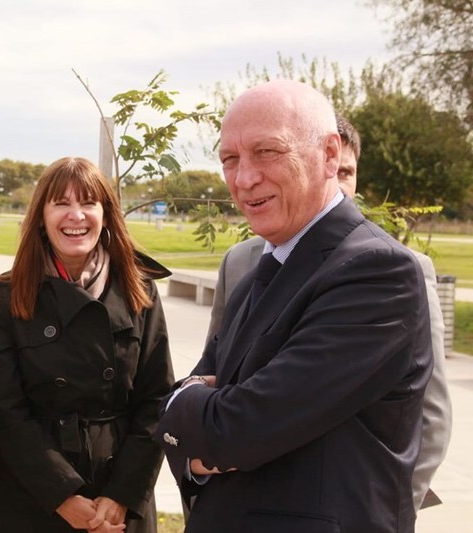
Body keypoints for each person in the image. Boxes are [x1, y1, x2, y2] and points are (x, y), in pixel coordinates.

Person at [155, 80, 433, 532]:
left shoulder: (377, 272)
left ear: (329, 154)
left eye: (267, 152)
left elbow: (236, 429)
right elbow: (209, 429)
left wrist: (183, 405)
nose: (244, 179)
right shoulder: (258, 276)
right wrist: (198, 423)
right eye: (230, 159)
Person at [205, 113, 453, 512]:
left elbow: (431, 413)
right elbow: (214, 379)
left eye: (347, 173)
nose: (336, 182)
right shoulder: (242, 263)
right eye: (230, 160)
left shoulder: (396, 265)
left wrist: (391, 507)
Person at [0, 157, 174, 532]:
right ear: (40, 216)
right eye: (61, 203)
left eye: (87, 203)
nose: (76, 216)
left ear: (105, 214)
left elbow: (157, 400)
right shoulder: (5, 296)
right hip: (36, 496)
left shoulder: (139, 290)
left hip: (120, 494)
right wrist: (62, 496)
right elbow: (3, 410)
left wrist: (121, 497)